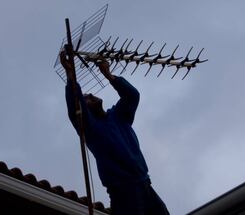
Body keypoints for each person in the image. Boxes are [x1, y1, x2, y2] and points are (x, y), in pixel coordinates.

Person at [60, 48, 170, 215]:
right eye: (86, 98)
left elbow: (132, 96)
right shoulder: (91, 129)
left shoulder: (118, 116)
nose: (89, 95)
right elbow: (75, 109)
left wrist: (109, 75)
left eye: (89, 95)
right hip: (124, 192)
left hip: (145, 185)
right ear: (85, 109)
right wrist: (70, 74)